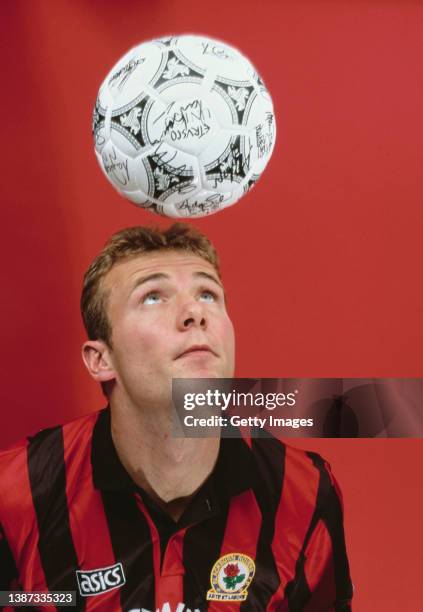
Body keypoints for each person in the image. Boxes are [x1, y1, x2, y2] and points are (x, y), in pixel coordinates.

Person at [0, 224, 353, 611]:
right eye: (152, 297)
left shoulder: (301, 494)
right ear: (102, 360)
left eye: (208, 294)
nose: (194, 313)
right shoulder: (18, 495)